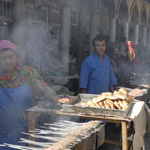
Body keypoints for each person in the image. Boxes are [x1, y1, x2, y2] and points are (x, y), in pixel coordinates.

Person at [0, 40, 69, 149]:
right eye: (3, 58)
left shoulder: (27, 72)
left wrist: (55, 98)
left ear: (16, 57)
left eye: (10, 56)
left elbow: (42, 87)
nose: (7, 61)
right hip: (3, 131)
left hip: (27, 128)